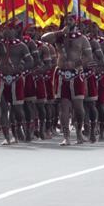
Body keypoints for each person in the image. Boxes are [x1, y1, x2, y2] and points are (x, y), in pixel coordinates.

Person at [42, 16, 92, 146]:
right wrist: (60, 32)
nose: (67, 22)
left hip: (76, 75)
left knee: (79, 108)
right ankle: (66, 136)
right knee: (64, 107)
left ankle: (79, 132)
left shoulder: (82, 39)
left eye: (70, 20)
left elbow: (88, 56)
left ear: (75, 22)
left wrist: (77, 63)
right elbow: (43, 38)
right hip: (62, 75)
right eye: (66, 20)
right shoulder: (58, 37)